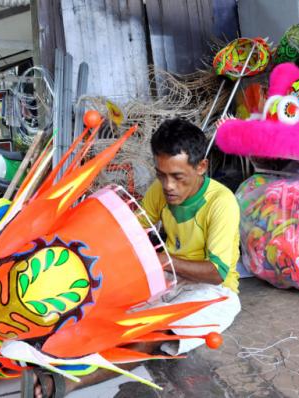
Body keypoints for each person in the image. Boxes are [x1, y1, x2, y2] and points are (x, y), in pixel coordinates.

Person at [31, 118, 241, 397]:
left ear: (201, 167)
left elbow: (217, 272)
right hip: (171, 277)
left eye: (178, 177)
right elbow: (137, 234)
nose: (168, 186)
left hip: (215, 290)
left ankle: (66, 385)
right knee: (108, 308)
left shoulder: (221, 202)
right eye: (161, 174)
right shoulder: (160, 191)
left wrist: (163, 262)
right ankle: (50, 350)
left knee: (152, 331)